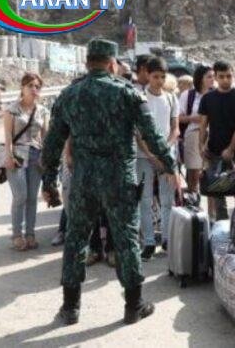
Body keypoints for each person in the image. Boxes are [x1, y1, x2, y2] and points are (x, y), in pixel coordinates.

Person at [41, 39, 177, 326]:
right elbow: (151, 135)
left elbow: (52, 143)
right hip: (119, 178)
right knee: (126, 239)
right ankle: (134, 305)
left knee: (76, 239)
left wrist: (49, 181)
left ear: (87, 62)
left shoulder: (69, 95)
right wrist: (170, 165)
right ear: (112, 64)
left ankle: (70, 308)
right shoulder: (127, 93)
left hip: (83, 180)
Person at [135, 57, 179, 260]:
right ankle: (149, 242)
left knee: (167, 199)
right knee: (144, 200)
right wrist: (152, 155)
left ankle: (167, 240)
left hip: (167, 156)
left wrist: (165, 151)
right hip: (144, 156)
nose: (159, 81)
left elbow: (175, 128)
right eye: (155, 76)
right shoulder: (140, 98)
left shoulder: (171, 98)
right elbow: (138, 133)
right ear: (147, 75)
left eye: (162, 77)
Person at [197, 61, 235, 220]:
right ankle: (221, 227)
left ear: (233, 75)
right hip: (213, 150)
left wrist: (231, 149)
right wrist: (201, 146)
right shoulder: (207, 98)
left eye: (228, 76)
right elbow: (203, 124)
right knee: (218, 193)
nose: (226, 79)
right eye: (221, 76)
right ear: (216, 77)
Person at [4, 73, 49, 251]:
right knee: (20, 195)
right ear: (22, 88)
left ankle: (30, 234)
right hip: (17, 155)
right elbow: (8, 136)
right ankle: (17, 234)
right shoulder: (12, 109)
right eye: (30, 85)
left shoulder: (43, 111)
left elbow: (45, 136)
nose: (34, 89)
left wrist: (45, 157)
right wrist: (9, 156)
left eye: (37, 86)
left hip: (36, 156)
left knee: (32, 198)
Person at [178, 65, 213, 193]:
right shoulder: (187, 95)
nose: (212, 79)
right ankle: (193, 199)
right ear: (200, 78)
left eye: (213, 76)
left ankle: (211, 205)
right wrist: (195, 118)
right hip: (193, 134)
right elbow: (178, 118)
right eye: (209, 77)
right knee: (193, 173)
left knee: (211, 174)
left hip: (212, 136)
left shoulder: (216, 95)